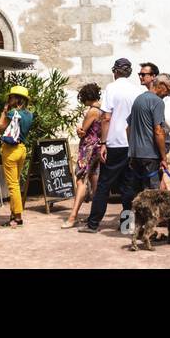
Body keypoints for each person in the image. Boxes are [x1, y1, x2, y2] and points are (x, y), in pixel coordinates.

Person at [80, 58, 143, 233]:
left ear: (115, 72)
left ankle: (93, 224)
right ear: (129, 73)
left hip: (114, 143)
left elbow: (106, 117)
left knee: (103, 185)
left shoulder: (111, 88)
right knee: (127, 186)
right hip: (130, 144)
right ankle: (126, 225)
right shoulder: (136, 91)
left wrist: (103, 143)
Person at [62, 83, 103, 229]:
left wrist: (79, 129)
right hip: (98, 148)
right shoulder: (102, 109)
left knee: (80, 181)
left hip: (88, 149)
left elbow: (82, 132)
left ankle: (72, 216)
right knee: (95, 182)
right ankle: (95, 216)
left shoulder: (92, 111)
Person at [127, 74, 170, 196]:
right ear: (162, 85)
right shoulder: (158, 102)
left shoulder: (138, 99)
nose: (168, 94)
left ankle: (134, 215)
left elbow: (128, 128)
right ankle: (152, 215)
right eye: (168, 90)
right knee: (153, 195)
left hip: (135, 155)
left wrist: (133, 147)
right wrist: (164, 157)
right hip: (150, 156)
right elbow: (158, 131)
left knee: (137, 193)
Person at [0, 85, 34, 228]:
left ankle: (17, 217)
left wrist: (3, 113)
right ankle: (13, 215)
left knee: (13, 185)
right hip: (22, 149)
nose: (8, 99)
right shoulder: (29, 115)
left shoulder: (11, 114)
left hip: (10, 150)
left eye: (11, 97)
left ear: (17, 99)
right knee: (16, 183)